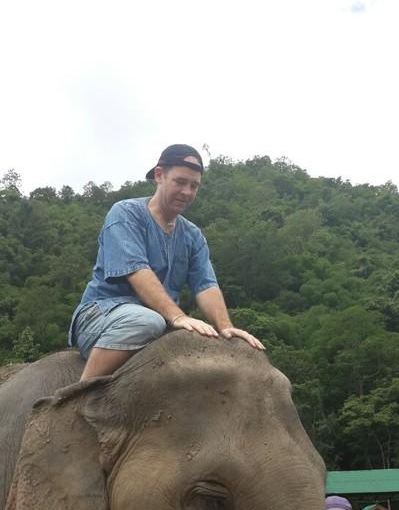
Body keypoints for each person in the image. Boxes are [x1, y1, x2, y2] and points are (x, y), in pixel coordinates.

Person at [68, 144, 265, 379]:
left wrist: (225, 327)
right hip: (104, 315)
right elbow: (137, 271)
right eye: (180, 182)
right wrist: (178, 317)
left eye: (194, 186)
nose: (187, 192)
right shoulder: (125, 214)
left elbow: (206, 285)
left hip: (161, 322)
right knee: (147, 321)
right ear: (159, 175)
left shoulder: (193, 236)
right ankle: (81, 396)